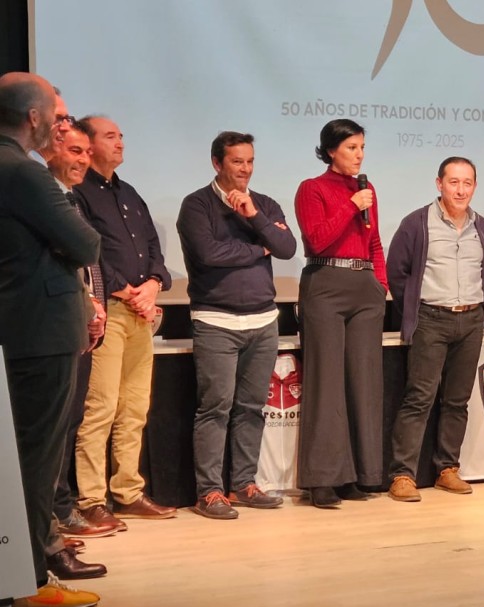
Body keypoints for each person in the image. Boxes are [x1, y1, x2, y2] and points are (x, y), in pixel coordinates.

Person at [0, 71, 101, 607]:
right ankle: (30, 581)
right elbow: (86, 244)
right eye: (56, 116)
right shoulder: (26, 173)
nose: (60, 126)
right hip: (38, 330)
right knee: (37, 462)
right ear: (34, 118)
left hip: (15, 327)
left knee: (17, 458)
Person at [177, 132, 297, 518]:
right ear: (217, 163)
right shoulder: (196, 205)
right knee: (216, 407)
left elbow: (287, 248)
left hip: (263, 320)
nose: (245, 168)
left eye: (249, 161)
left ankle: (243, 483)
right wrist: (259, 247)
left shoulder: (263, 204)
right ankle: (209, 492)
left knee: (250, 407)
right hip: (216, 321)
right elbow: (211, 254)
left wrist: (254, 218)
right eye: (236, 161)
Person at [73, 115, 176, 525]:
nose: (120, 143)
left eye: (122, 137)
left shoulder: (130, 193)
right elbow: (87, 252)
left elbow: (153, 248)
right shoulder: (78, 193)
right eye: (110, 136)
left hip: (141, 315)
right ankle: (91, 501)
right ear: (89, 144)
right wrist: (127, 292)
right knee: (100, 408)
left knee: (135, 407)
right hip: (109, 313)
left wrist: (152, 285)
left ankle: (128, 491)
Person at [294, 119, 387, 508]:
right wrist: (350, 206)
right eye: (351, 147)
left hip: (364, 287)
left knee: (362, 382)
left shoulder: (367, 189)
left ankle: (358, 474)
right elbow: (316, 238)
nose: (359, 154)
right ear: (331, 150)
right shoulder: (311, 189)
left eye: (362, 147)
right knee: (327, 382)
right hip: (326, 284)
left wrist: (380, 285)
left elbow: (375, 241)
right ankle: (323, 479)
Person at [385, 157, 484, 501]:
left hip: (471, 319)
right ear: (439, 184)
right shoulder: (417, 223)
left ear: (474, 186)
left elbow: (483, 273)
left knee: (457, 400)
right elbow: (397, 273)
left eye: (467, 183)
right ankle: (402, 475)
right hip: (432, 318)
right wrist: (415, 311)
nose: (461, 190)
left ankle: (447, 468)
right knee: (419, 398)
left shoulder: (483, 227)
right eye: (454, 182)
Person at [41, 121, 113, 581]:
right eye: (73, 150)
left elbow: (88, 263)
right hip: (46, 328)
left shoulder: (69, 198)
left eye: (87, 152)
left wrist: (93, 307)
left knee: (66, 425)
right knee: (49, 436)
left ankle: (54, 522)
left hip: (75, 324)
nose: (83, 159)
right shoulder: (41, 194)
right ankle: (46, 534)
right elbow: (83, 249)